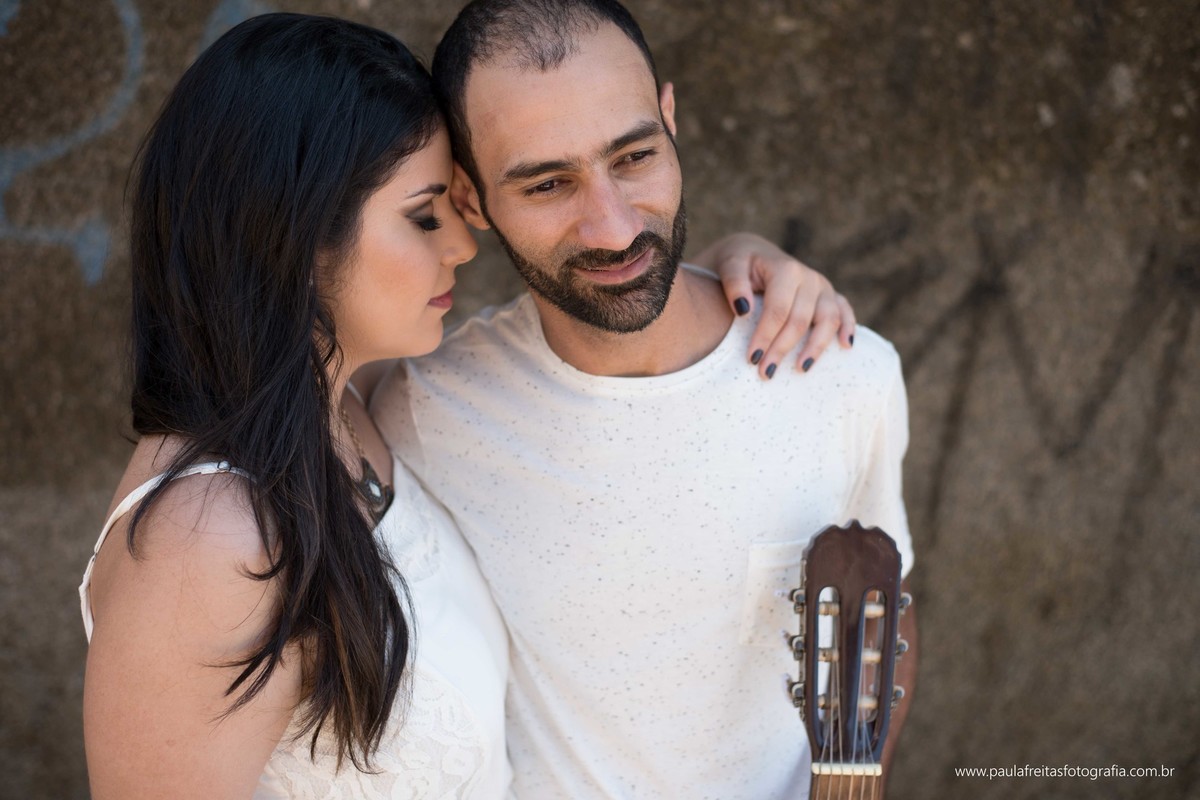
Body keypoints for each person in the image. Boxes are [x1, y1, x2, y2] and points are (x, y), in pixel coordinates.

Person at [77, 12, 854, 799]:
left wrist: (737, 265)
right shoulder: (206, 542)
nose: (461, 243)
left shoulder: (352, 418)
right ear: (292, 241)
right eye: (423, 216)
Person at [370, 1, 920, 798]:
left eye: (632, 157)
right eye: (549, 183)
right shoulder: (427, 411)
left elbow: (887, 618)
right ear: (470, 198)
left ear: (670, 119)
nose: (613, 227)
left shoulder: (843, 374)